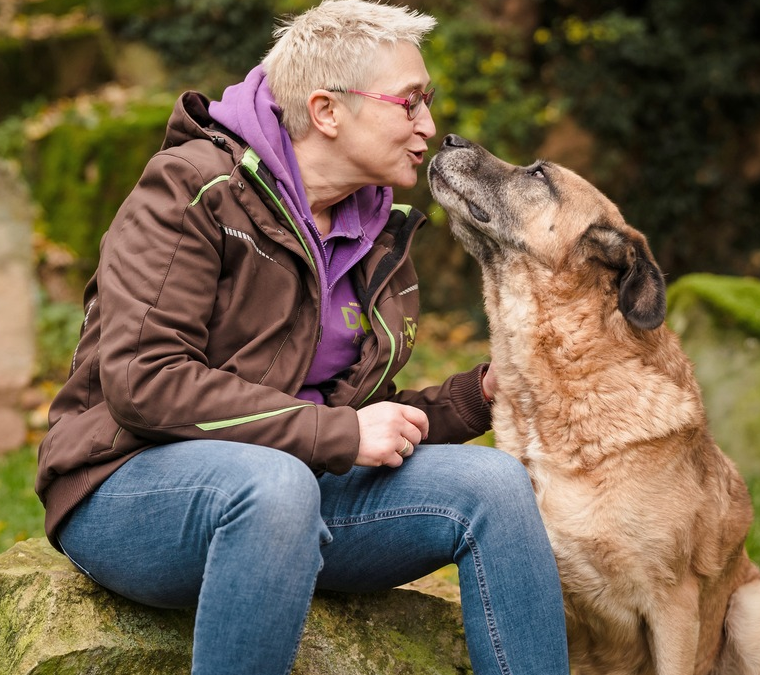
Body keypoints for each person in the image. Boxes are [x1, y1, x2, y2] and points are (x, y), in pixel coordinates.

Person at [33, 1, 569, 673]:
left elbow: (353, 418)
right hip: (127, 485)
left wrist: (478, 394)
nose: (429, 126)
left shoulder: (376, 232)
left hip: (296, 488)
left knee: (495, 485)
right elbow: (145, 381)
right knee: (276, 485)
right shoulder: (192, 189)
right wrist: (337, 434)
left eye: (427, 104)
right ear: (326, 111)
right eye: (409, 102)